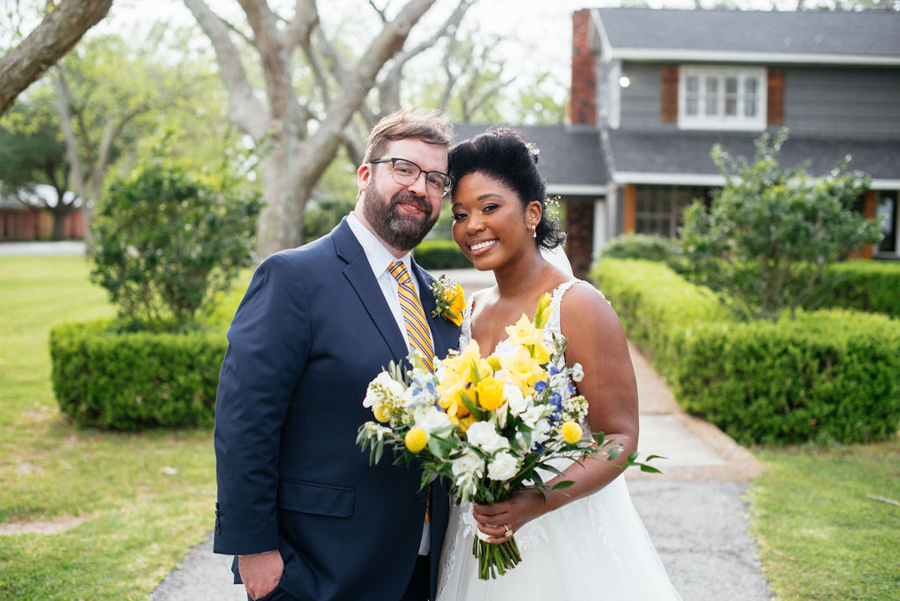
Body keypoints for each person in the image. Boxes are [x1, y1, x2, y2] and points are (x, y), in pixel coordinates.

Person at [213, 108, 461, 601]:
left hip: (423, 566)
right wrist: (255, 552)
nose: (421, 188)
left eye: (436, 179)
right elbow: (246, 421)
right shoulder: (293, 278)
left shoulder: (440, 300)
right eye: (404, 169)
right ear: (365, 174)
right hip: (318, 569)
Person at [436, 128, 682, 600]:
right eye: (461, 214)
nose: (472, 225)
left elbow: (619, 438)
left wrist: (535, 501)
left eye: (489, 208)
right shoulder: (468, 310)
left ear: (532, 213)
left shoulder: (578, 306)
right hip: (474, 536)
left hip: (562, 539)